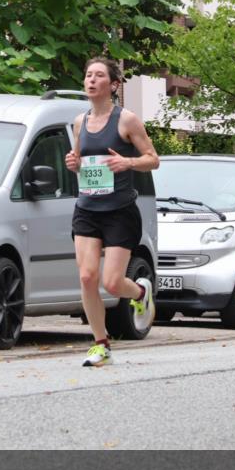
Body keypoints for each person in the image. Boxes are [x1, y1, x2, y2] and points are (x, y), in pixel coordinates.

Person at [64, 57, 159, 366]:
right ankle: (100, 343)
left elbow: (152, 159)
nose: (91, 80)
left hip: (119, 210)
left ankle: (140, 294)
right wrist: (73, 164)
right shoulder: (80, 122)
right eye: (88, 74)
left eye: (98, 75)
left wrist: (128, 162)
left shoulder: (126, 120)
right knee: (87, 276)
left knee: (113, 283)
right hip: (87, 209)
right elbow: (80, 161)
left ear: (113, 84)